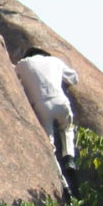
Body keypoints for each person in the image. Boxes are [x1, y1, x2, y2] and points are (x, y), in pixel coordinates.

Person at [15, 47, 79, 188]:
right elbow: (74, 78)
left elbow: (13, 76)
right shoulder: (54, 61)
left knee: (49, 145)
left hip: (41, 105)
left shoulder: (22, 64)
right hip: (60, 101)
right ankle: (69, 156)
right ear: (44, 55)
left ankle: (63, 184)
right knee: (67, 128)